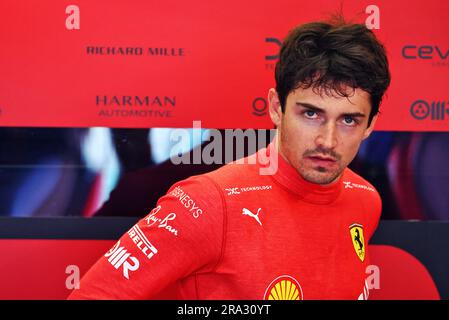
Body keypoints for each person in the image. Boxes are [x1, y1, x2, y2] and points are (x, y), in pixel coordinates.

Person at [69, 17, 391, 300]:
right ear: (276, 108)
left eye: (348, 120)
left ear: (370, 125)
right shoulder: (208, 203)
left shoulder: (365, 200)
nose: (328, 140)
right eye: (311, 113)